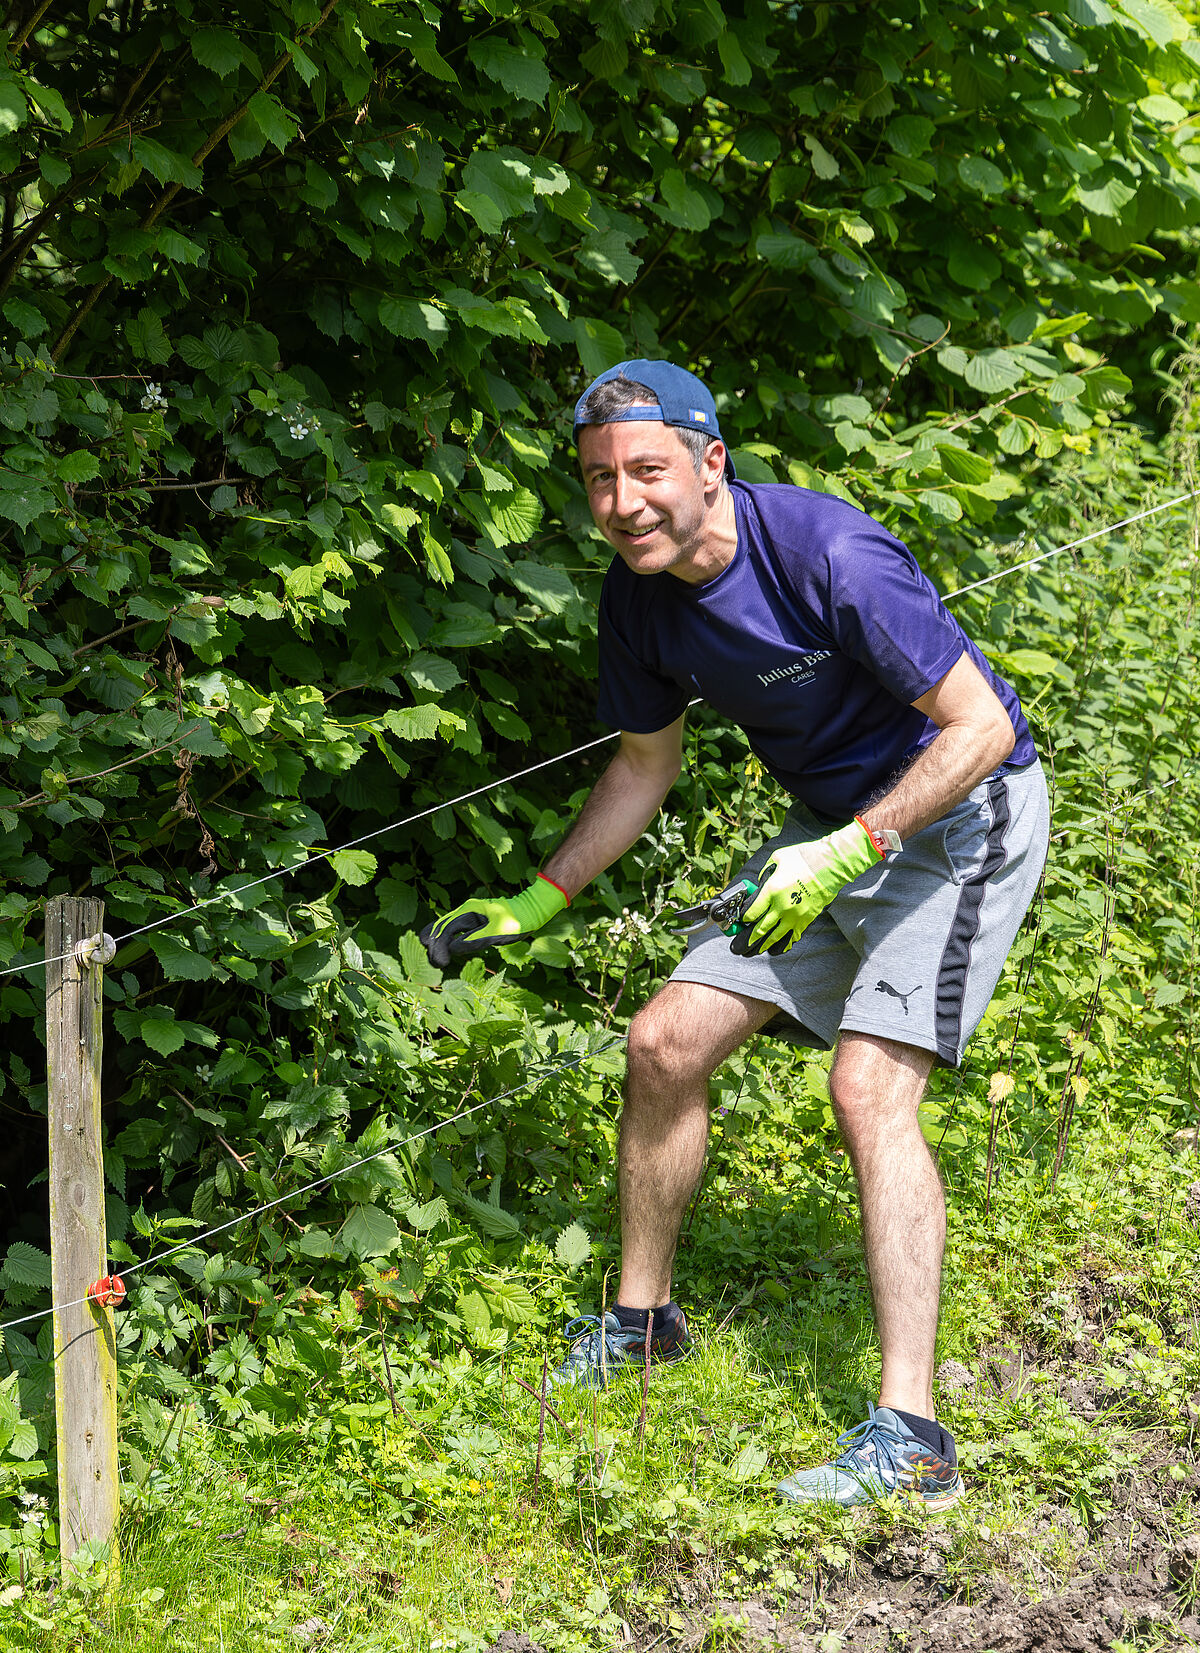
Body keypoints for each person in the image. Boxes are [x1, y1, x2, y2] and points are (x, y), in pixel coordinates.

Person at [420, 360, 1049, 1509]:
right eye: (602, 480)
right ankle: (644, 1320)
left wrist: (849, 851)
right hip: (828, 835)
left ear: (711, 463)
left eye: (648, 470)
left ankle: (913, 1436)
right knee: (663, 1043)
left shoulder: (827, 554)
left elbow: (979, 727)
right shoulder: (639, 595)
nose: (624, 503)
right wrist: (540, 898)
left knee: (868, 1087)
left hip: (964, 819)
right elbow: (642, 766)